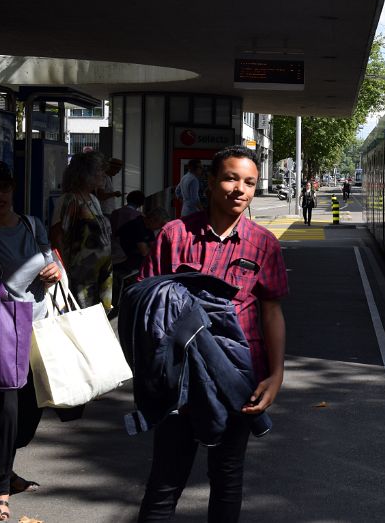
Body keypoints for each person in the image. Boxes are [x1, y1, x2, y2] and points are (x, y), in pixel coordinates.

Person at [137, 146, 288, 522]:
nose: (240, 189)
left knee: (227, 477)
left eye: (249, 182)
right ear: (209, 182)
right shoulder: (175, 234)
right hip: (180, 378)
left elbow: (271, 310)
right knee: (165, 481)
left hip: (237, 376)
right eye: (231, 178)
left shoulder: (263, 243)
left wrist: (276, 374)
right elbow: (145, 301)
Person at [0, 160, 60, 523]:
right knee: (0, 417)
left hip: (37, 330)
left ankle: (1, 468)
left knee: (26, 418)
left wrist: (53, 270)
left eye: (4, 187)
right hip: (0, 336)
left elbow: (49, 258)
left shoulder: (30, 224)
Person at [51, 151, 113, 310]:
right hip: (80, 278)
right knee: (83, 317)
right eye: (99, 170)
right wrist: (64, 271)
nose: (103, 175)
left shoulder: (93, 200)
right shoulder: (69, 200)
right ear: (86, 174)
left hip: (100, 275)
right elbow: (57, 236)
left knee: (98, 317)